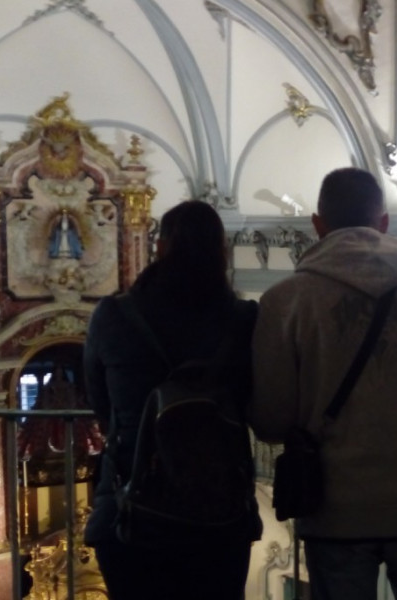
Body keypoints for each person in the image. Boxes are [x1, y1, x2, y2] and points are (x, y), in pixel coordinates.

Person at [250, 167, 397, 600]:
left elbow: (271, 418)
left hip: (336, 509)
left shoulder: (285, 301)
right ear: (384, 223)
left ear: (317, 224)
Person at [83, 200, 261, 600]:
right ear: (222, 252)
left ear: (160, 247)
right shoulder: (244, 319)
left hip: (133, 506)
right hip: (220, 511)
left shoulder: (112, 315)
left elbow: (99, 402)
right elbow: (254, 399)